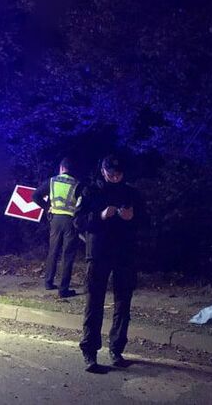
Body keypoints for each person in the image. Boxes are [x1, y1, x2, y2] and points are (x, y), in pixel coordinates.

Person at [75, 154, 145, 373]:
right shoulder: (90, 191)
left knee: (123, 303)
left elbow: (146, 221)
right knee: (94, 302)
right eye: (111, 174)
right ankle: (90, 352)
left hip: (124, 253)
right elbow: (78, 221)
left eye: (118, 174)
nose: (115, 178)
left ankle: (116, 349)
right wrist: (101, 216)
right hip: (98, 253)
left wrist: (133, 217)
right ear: (103, 171)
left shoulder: (131, 193)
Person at [32, 157, 83, 298]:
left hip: (55, 220)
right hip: (70, 221)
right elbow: (81, 204)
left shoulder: (52, 181)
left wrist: (47, 207)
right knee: (68, 255)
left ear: (61, 168)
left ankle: (48, 282)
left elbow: (35, 196)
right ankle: (63, 289)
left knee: (53, 251)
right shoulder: (77, 184)